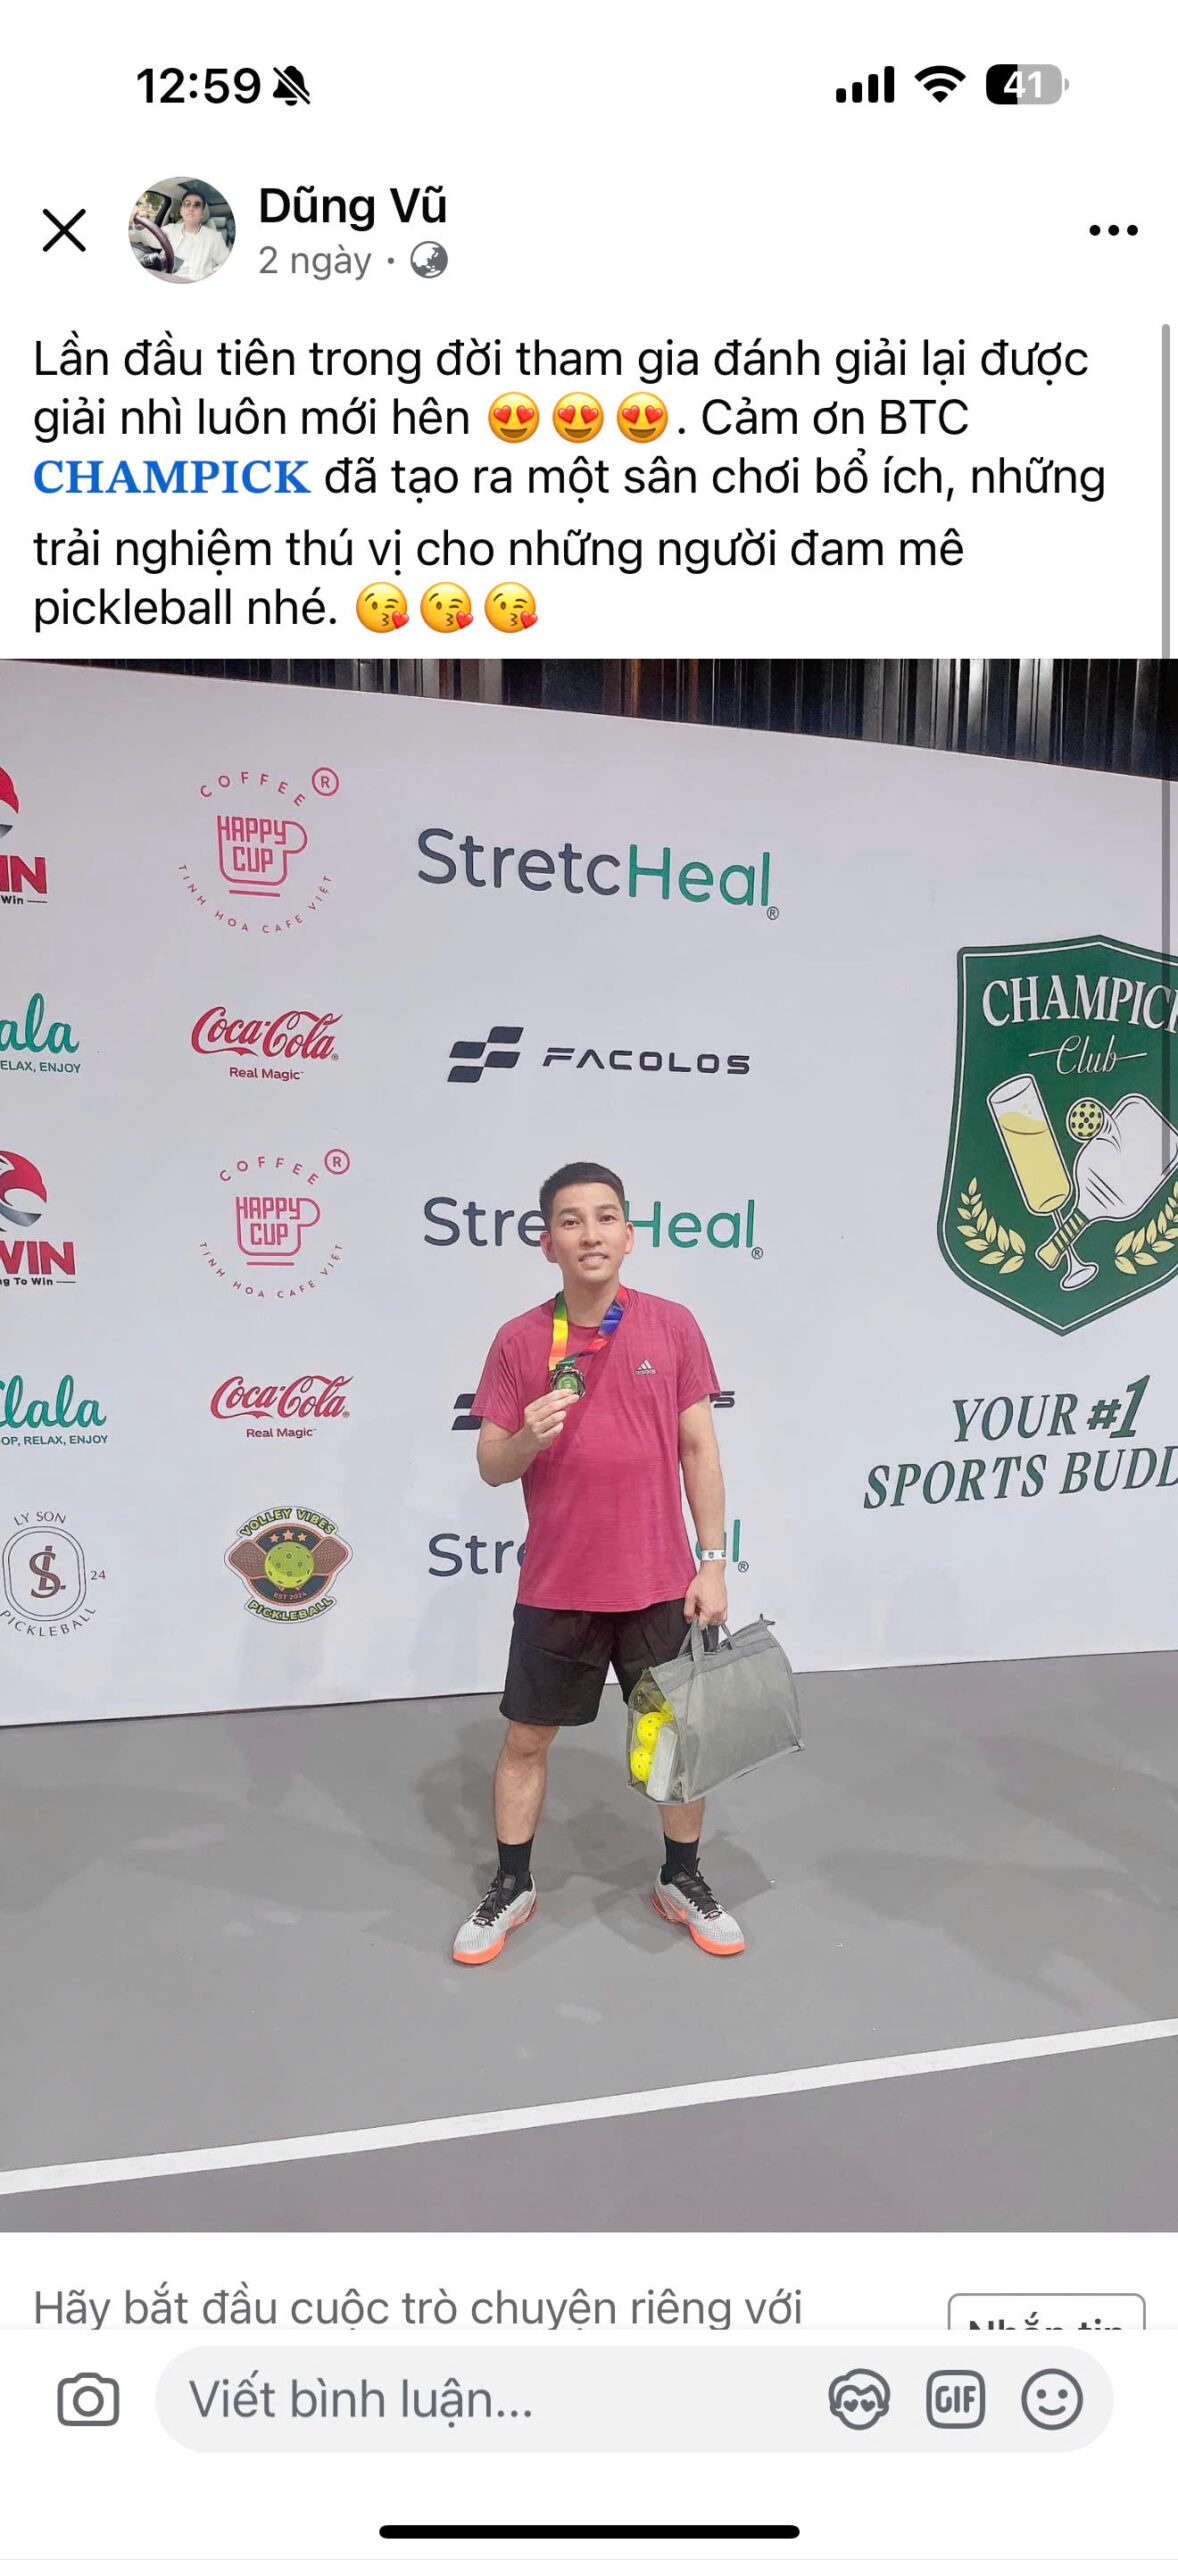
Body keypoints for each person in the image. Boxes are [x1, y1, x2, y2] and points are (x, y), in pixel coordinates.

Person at [453, 1161, 744, 1966]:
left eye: (606, 1217)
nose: (591, 1233)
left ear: (629, 1234)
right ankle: (513, 1885)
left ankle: (680, 1877)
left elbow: (699, 1449)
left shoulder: (672, 1325)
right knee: (526, 1741)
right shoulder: (519, 1340)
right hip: (558, 1586)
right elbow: (491, 1465)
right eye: (571, 1220)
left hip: (658, 1583)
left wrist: (712, 1563)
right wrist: (526, 1438)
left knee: (674, 1743)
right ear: (547, 1243)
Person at [160, 187, 230, 281]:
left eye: (197, 205)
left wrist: (213, 273)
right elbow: (151, 238)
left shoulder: (214, 238)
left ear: (202, 213)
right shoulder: (170, 229)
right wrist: (141, 223)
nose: (191, 208)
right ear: (181, 211)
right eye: (186, 204)